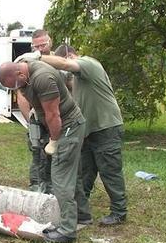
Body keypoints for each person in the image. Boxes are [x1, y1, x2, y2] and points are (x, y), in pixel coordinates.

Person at [24, 45, 128, 225]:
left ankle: (119, 211)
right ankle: (81, 210)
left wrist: (36, 59)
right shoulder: (77, 79)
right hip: (87, 130)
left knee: (109, 171)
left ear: (71, 55)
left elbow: (64, 64)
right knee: (83, 171)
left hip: (105, 127)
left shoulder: (89, 64)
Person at [0, 60, 85, 243]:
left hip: (67, 126)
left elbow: (54, 115)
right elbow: (40, 108)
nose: (16, 89)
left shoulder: (43, 78)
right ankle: (81, 216)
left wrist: (54, 140)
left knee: (60, 176)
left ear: (20, 74)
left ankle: (68, 231)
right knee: (69, 175)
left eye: (15, 85)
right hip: (58, 125)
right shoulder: (24, 78)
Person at [16, 29, 54, 193]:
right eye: (36, 46)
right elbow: (21, 95)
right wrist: (30, 120)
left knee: (55, 155)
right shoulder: (26, 63)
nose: (39, 49)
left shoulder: (58, 60)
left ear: (50, 42)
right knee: (37, 153)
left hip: (55, 117)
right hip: (37, 118)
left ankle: (53, 188)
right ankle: (35, 187)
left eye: (43, 45)